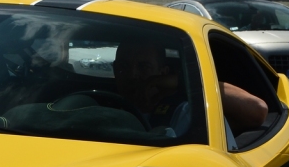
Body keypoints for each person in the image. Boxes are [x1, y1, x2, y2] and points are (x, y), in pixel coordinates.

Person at [113, 39, 267, 136]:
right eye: (123, 66)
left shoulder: (185, 113)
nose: (132, 75)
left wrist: (186, 82)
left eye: (144, 67)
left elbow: (257, 109)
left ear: (163, 73)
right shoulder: (96, 104)